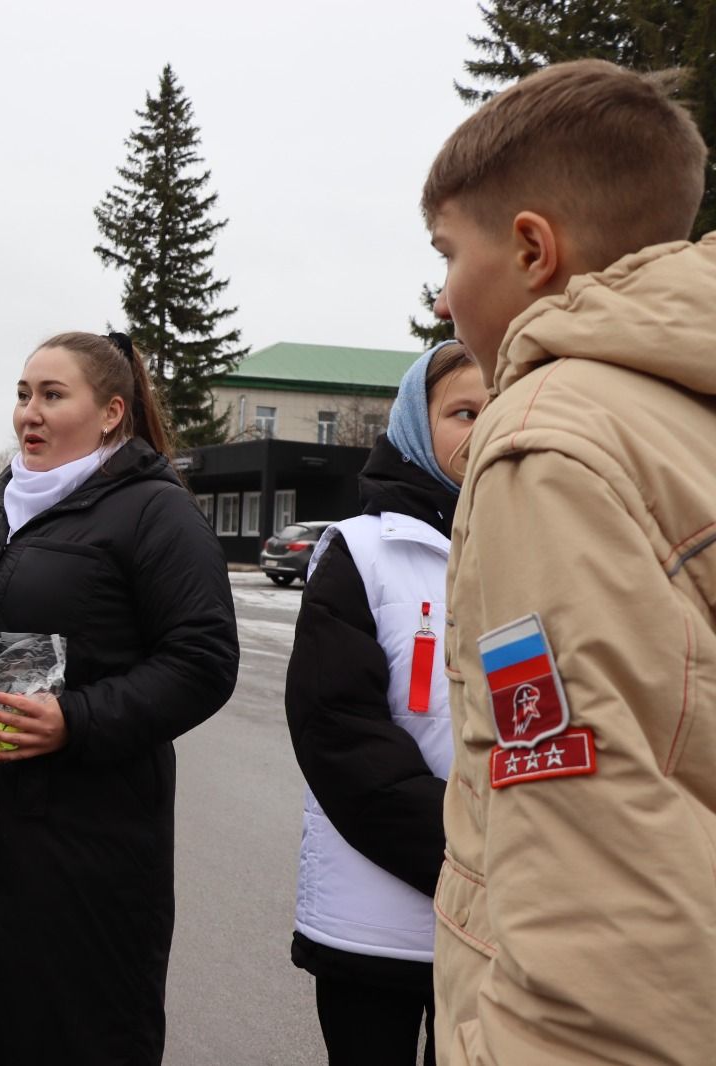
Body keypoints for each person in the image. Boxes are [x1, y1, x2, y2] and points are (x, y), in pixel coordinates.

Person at [422, 60, 716, 1062]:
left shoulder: (545, 445)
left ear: (531, 248)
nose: (440, 297)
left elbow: (584, 827)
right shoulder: (682, 413)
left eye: (447, 254)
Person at [0, 331, 239, 1065]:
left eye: (53, 395)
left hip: (82, 841)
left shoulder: (154, 512)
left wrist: (75, 720)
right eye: (24, 394)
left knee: (59, 1027)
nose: (30, 412)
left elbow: (203, 660)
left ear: (112, 413)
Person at [284, 341, 485, 1065]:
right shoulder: (361, 553)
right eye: (463, 411)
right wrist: (465, 855)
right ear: (410, 425)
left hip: (499, 923)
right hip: (374, 923)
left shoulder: (531, 545)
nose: (483, 429)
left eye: (498, 410)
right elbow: (337, 734)